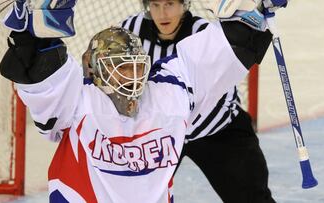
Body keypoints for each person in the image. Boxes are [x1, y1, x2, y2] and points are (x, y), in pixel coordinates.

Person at [0, 1, 277, 202]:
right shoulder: (79, 101)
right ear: (96, 70)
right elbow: (40, 72)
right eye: (121, 68)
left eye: (135, 67)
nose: (131, 78)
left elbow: (223, 53)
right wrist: (31, 36)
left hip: (216, 132)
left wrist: (253, 14)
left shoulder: (166, 95)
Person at [120, 0, 286, 202]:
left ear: (184, 5)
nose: (162, 13)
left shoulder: (204, 33)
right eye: (155, 5)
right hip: (161, 134)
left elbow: (224, 84)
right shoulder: (130, 31)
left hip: (217, 130)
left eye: (170, 4)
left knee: (251, 198)